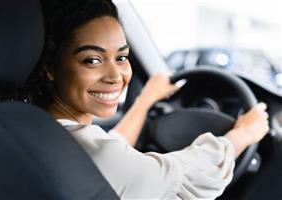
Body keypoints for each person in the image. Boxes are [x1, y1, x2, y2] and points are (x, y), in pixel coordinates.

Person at [27, 0, 269, 199]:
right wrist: (243, 134)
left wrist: (145, 100)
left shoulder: (26, 127)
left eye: (121, 57)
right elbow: (186, 175)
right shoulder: (89, 154)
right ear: (50, 66)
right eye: (92, 60)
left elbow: (111, 150)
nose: (116, 76)